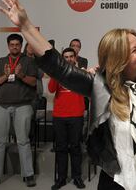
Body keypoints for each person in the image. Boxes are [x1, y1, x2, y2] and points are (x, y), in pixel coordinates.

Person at [0, 0, 136, 190]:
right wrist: (26, 25)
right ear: (118, 58)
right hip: (118, 183)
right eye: (133, 50)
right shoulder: (101, 87)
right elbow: (59, 67)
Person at [0, 34, 37, 189]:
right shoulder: (0, 62)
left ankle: (28, 175)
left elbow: (33, 82)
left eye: (17, 44)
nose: (14, 47)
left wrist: (21, 75)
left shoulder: (29, 61)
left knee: (23, 141)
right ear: (8, 46)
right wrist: (6, 75)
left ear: (21, 45)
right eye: (12, 44)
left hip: (23, 106)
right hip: (1, 106)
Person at [49, 47, 86, 190]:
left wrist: (79, 72)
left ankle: (77, 177)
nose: (69, 59)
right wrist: (56, 73)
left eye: (71, 56)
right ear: (62, 59)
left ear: (75, 58)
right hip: (59, 115)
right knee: (61, 148)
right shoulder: (58, 73)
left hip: (76, 114)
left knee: (76, 147)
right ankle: (61, 178)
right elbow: (52, 89)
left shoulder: (81, 72)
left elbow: (87, 86)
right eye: (66, 57)